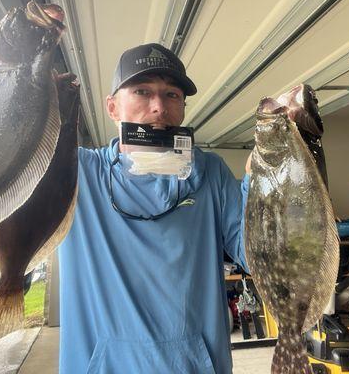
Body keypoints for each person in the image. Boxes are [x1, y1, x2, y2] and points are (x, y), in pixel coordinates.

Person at [58, 43, 251, 374]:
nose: (159, 107)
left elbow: (255, 254)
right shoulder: (76, 172)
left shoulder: (212, 173)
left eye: (172, 94)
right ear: (112, 107)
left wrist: (265, 185)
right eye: (142, 91)